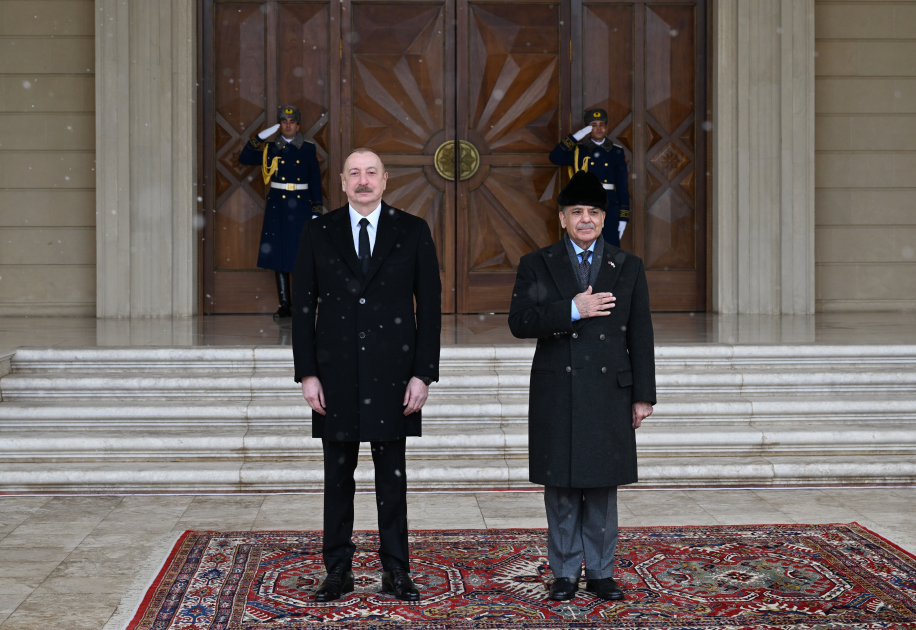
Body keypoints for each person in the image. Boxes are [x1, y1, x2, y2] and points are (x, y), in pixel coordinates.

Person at [291, 148, 441, 603]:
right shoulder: (318, 231)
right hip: (334, 376)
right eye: (354, 173)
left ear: (385, 179)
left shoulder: (412, 231)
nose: (362, 180)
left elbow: (430, 308)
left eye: (370, 172)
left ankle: (397, 570)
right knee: (337, 478)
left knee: (391, 478)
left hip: (393, 376)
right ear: (341, 182)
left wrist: (423, 375)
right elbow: (302, 308)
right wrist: (307, 374)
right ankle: (337, 569)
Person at [508, 170, 656, 603]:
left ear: (604, 219)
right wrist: (572, 309)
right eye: (577, 212)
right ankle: (565, 572)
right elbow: (520, 323)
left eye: (593, 212)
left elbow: (640, 334)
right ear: (562, 218)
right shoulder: (536, 264)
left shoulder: (627, 266)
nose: (586, 219)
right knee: (562, 486)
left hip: (610, 389)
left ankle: (603, 573)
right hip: (558, 389)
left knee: (601, 487)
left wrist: (643, 395)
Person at [239, 105, 323, 320]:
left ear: (298, 125)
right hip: (278, 207)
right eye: (284, 122)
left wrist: (316, 209)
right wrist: (259, 137)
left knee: (301, 256)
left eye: (292, 122)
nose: (288, 125)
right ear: (279, 125)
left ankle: (301, 304)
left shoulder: (307, 148)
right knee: (279, 254)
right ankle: (284, 304)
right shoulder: (270, 148)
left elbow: (314, 180)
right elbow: (245, 158)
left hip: (301, 205)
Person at [548, 109, 631, 247]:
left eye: (601, 124)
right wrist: (577, 136)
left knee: (610, 248)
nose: (598, 128)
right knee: (583, 244)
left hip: (609, 204)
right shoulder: (579, 150)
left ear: (606, 127)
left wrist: (623, 217)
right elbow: (555, 157)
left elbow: (622, 186)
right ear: (587, 129)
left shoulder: (616, 151)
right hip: (584, 202)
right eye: (593, 125)